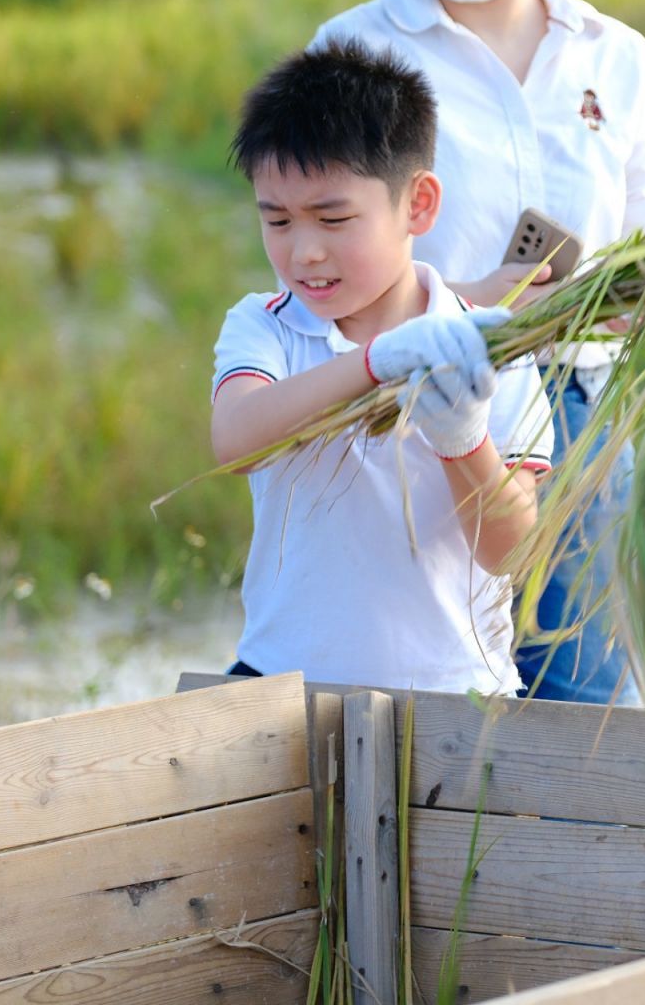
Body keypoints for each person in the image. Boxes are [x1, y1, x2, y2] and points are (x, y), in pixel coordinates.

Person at [309, 0, 645, 705]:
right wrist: (464, 305)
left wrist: (644, 297)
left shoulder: (614, 56)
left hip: (587, 412)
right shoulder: (352, 56)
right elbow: (319, 260)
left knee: (587, 698)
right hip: (418, 407)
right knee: (420, 693)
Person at [210, 40, 554, 694]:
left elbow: (510, 550)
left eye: (333, 218)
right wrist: (378, 362)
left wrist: (463, 440)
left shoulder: (490, 348)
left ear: (418, 204)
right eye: (277, 220)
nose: (304, 252)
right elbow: (236, 441)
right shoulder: (267, 326)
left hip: (460, 695)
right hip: (283, 685)